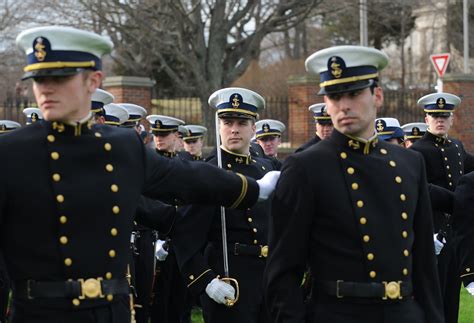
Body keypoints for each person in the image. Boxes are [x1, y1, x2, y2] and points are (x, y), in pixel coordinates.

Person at [2, 25, 278, 323]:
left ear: (93, 80)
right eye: (39, 80)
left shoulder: (119, 146)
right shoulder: (10, 153)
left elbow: (184, 177)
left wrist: (253, 189)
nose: (46, 89)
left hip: (110, 311)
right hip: (40, 312)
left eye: (59, 79)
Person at [264, 45, 443, 323]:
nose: (344, 105)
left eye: (354, 93)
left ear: (378, 95)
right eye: (334, 96)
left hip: (404, 313)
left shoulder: (409, 163)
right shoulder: (306, 167)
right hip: (338, 313)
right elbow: (283, 271)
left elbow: (424, 266)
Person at [174, 87, 275, 323]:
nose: (234, 129)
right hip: (229, 282)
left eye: (242, 122)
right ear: (219, 126)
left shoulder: (266, 169)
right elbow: (184, 236)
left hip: (267, 280)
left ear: (253, 128)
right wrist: (206, 281)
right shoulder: (208, 173)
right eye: (227, 121)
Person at [410, 92, 474, 323]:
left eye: (444, 116)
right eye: (434, 116)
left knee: (451, 299)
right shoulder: (417, 151)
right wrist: (457, 200)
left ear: (451, 119)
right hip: (431, 234)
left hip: (454, 236)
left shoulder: (456, 147)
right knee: (431, 300)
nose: (440, 120)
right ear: (426, 119)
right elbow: (419, 190)